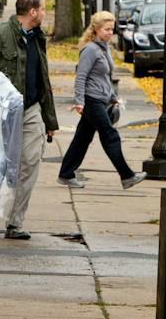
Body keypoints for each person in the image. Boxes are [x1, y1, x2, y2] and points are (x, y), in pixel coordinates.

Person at [0, 0, 58, 240]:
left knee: (29, 164)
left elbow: (43, 80)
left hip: (31, 110)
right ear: (32, 12)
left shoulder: (38, 38)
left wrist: (49, 121)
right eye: (42, 9)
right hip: (2, 111)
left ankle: (15, 223)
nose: (44, 13)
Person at [57, 11, 145, 191]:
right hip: (91, 100)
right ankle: (127, 176)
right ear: (96, 29)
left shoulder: (104, 48)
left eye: (112, 29)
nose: (110, 32)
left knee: (82, 138)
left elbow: (104, 77)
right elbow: (81, 77)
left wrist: (112, 98)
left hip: (100, 99)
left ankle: (66, 173)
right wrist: (79, 101)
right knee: (110, 135)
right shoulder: (90, 50)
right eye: (106, 29)